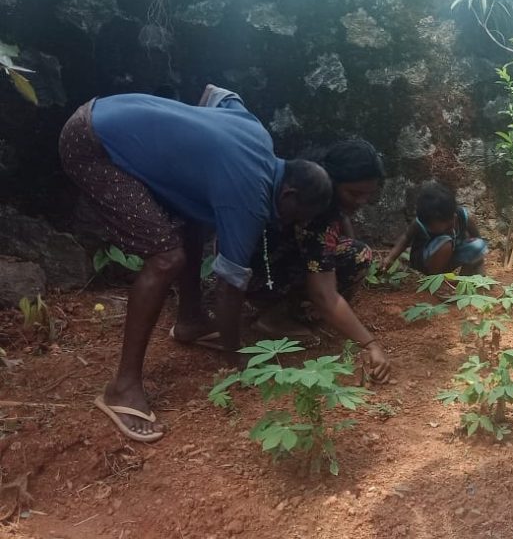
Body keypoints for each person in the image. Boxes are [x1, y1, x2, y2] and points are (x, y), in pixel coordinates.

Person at [59, 87, 333, 443]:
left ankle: (189, 321)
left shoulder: (258, 136)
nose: (290, 225)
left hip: (105, 110)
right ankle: (122, 387)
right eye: (298, 216)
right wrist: (236, 354)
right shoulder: (250, 196)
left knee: (194, 217)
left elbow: (218, 94)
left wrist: (192, 141)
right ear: (289, 195)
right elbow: (229, 283)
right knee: (166, 257)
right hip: (90, 144)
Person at [246, 137, 392, 383]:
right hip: (260, 273)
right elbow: (324, 292)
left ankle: (295, 311)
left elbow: (339, 232)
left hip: (268, 264)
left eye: (368, 194)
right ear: (333, 183)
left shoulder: (310, 184)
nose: (361, 201)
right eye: (355, 193)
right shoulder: (314, 212)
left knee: (353, 252)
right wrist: (371, 345)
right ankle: (276, 316)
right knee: (357, 255)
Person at [382, 182, 487, 276]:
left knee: (478, 245)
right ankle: (436, 280)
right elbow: (405, 238)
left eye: (433, 226)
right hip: (426, 262)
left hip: (451, 258)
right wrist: (390, 259)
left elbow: (477, 240)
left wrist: (478, 261)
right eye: (428, 226)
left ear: (452, 218)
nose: (429, 228)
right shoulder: (421, 223)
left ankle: (464, 280)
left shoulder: (463, 217)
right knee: (445, 242)